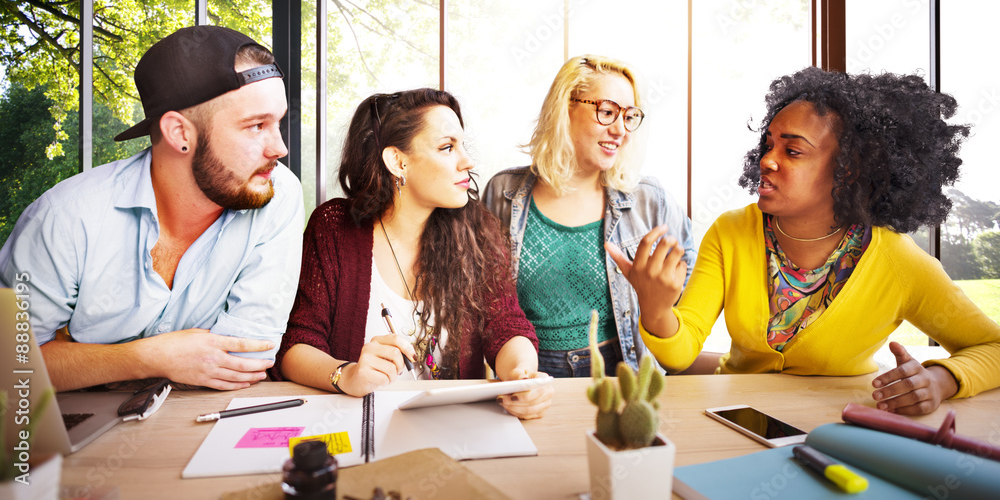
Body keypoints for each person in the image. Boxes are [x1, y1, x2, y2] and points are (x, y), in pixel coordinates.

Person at [612, 67, 1000, 415]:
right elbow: (682, 349)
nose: (767, 159)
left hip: (842, 429)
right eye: (769, 144)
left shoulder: (897, 261)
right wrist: (656, 309)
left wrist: (941, 381)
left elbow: (993, 348)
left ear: (849, 171)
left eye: (792, 150)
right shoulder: (731, 232)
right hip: (736, 419)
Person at [0, 26, 304, 392]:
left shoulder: (277, 194)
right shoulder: (64, 218)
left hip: (205, 422)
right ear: (179, 133)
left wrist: (75, 355)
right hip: (73, 439)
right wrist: (148, 358)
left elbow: (245, 361)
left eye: (278, 122)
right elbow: (11, 365)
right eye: (256, 126)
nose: (280, 148)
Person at [274, 88, 552, 419]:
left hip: (456, 429)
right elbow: (296, 345)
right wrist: (345, 374)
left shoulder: (477, 228)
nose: (468, 161)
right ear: (398, 161)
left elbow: (505, 325)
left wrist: (521, 376)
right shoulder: (333, 228)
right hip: (358, 425)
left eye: (463, 146)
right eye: (448, 147)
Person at [483, 56, 696, 377]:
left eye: (629, 116)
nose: (620, 129)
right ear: (564, 109)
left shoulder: (650, 199)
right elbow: (483, 299)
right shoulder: (503, 192)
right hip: (529, 369)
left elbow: (691, 300)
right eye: (607, 112)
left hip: (624, 370)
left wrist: (659, 303)